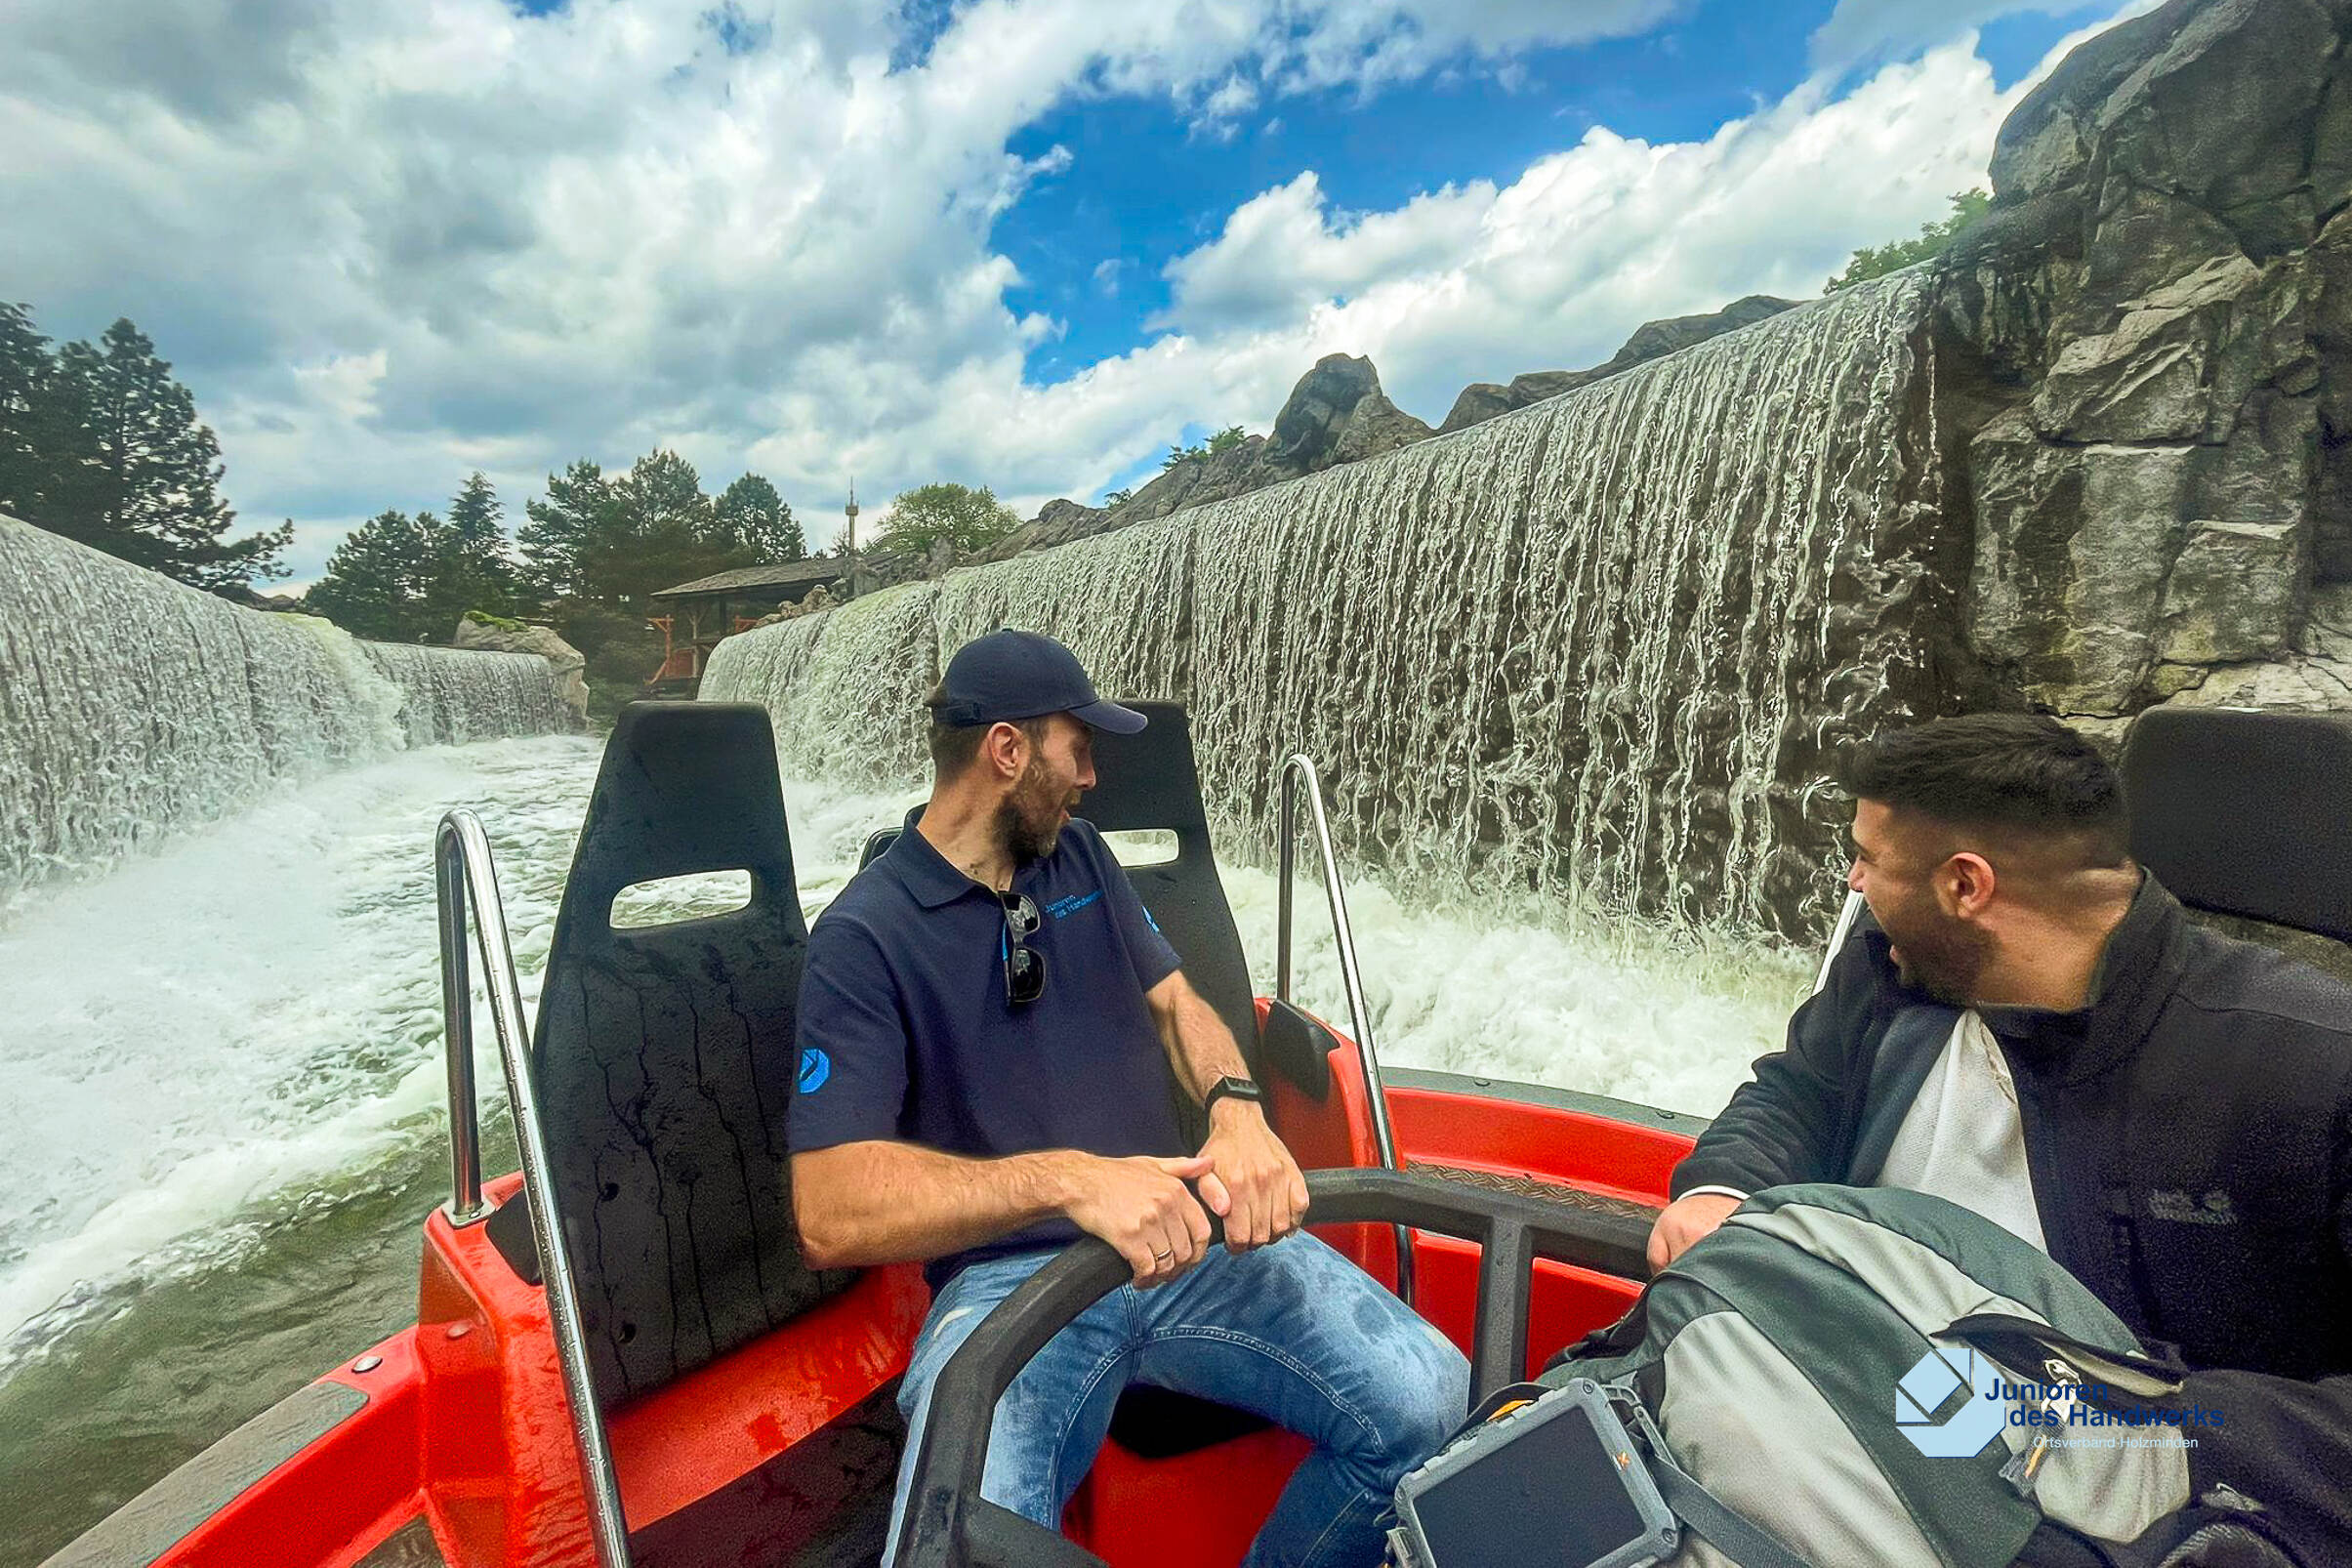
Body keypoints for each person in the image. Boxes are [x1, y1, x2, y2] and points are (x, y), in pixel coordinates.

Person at [788, 628, 1467, 1568]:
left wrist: (1236, 1107)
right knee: (954, 1537)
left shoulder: (1080, 858)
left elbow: (1177, 1004)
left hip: (1191, 1240)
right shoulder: (863, 936)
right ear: (1007, 750)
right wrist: (1071, 1181)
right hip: (1007, 1283)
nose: (1091, 776)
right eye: (1078, 748)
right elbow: (830, 1210)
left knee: (1430, 1401)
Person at [1648, 714, 2351, 1562]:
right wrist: (1722, 1187)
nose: (1851, 881)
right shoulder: (1893, 963)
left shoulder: (2309, 1069)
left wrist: (2146, 1428)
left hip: (2087, 1508)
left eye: (1868, 859)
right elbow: (1798, 1092)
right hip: (1844, 1386)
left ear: (1965, 884)